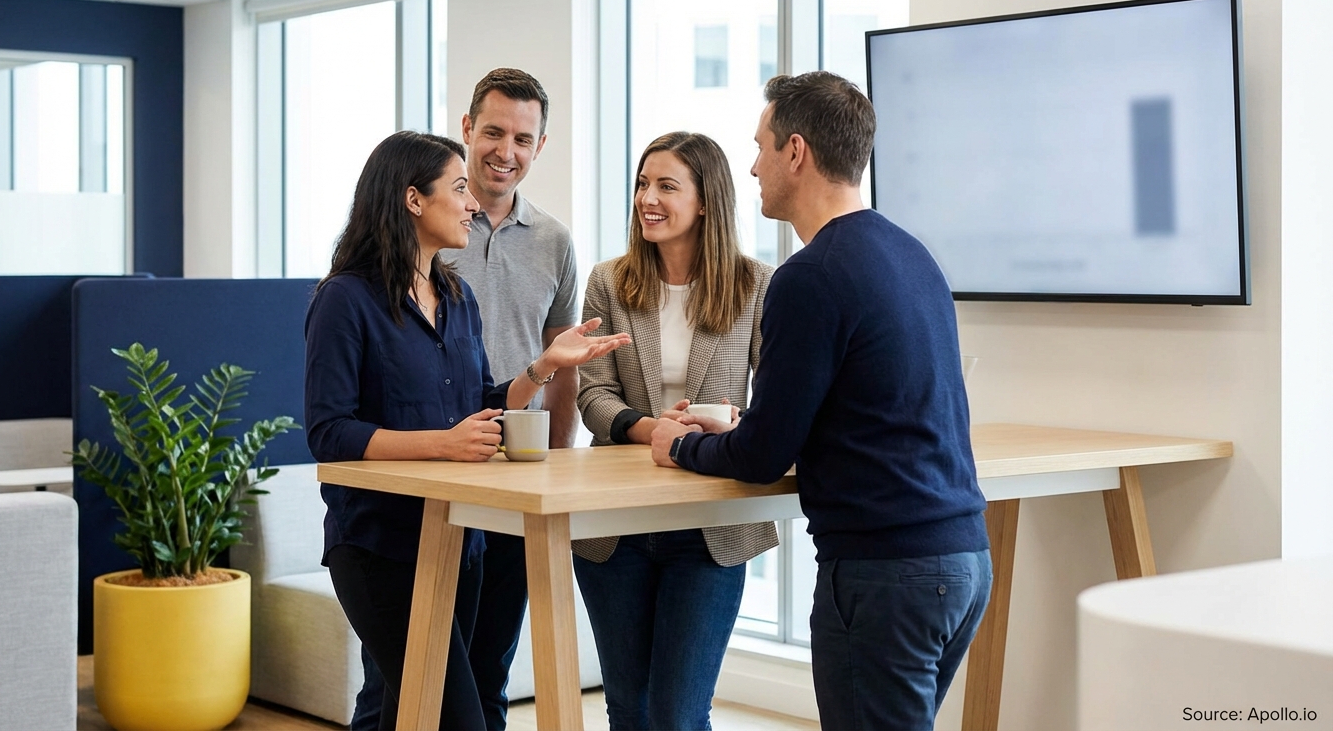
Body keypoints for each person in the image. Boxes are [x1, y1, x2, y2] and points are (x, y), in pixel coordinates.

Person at [649, 71, 992, 731]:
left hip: (886, 573)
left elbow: (762, 455)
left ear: (796, 152)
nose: (751, 167)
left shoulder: (810, 277)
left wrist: (681, 445)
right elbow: (857, 405)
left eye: (760, 146)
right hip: (961, 560)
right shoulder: (912, 254)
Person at [304, 130, 627, 731]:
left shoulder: (456, 297)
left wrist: (545, 366)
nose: (472, 203)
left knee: (409, 710)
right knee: (458, 719)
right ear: (412, 200)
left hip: (461, 537)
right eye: (457, 188)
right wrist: (442, 445)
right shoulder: (344, 300)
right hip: (378, 543)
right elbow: (329, 431)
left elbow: (482, 401)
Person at [350, 67, 579, 731]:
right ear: (467, 130)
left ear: (540, 146)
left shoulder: (553, 242)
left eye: (524, 138)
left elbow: (556, 364)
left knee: (487, 676)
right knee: (397, 683)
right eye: (494, 132)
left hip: (513, 479)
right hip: (421, 487)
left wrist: (555, 458)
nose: (506, 150)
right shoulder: (412, 237)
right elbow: (340, 415)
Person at [574, 131, 779, 730]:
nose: (648, 199)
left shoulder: (756, 285)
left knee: (679, 715)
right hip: (616, 526)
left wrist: (722, 424)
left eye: (667, 185)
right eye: (643, 184)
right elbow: (593, 396)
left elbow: (774, 398)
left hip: (711, 526)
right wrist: (653, 431)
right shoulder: (609, 281)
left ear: (707, 200)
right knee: (627, 710)